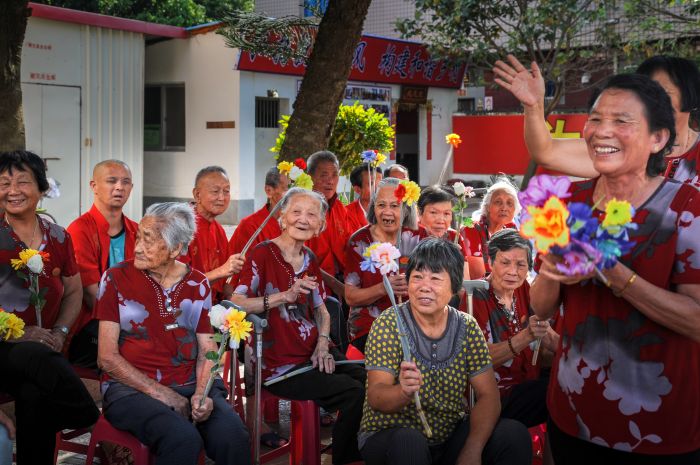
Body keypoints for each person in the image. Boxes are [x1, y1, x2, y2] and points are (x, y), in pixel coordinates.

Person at [529, 74, 700, 464]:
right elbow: (539, 307)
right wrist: (552, 262)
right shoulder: (567, 201)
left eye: (622, 121)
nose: (602, 131)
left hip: (661, 428)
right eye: (595, 118)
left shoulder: (687, 208)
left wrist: (613, 272)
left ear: (658, 138)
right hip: (573, 414)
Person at [95, 202, 250, 465]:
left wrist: (201, 394)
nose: (138, 248)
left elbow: (207, 349)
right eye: (138, 237)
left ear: (176, 249)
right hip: (132, 390)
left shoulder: (197, 283)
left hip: (190, 383)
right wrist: (163, 394)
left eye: (149, 240)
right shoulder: (115, 279)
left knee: (233, 437)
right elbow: (106, 357)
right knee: (182, 439)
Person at [359, 238, 531, 465]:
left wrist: (472, 449)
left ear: (454, 286)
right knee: (409, 442)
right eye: (417, 277)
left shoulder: (466, 327)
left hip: (447, 435)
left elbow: (489, 396)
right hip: (389, 436)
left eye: (435, 278)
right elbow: (376, 397)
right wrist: (403, 392)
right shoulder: (389, 323)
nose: (424, 286)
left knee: (513, 434)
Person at [232, 187, 366, 465]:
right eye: (296, 212)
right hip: (279, 364)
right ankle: (346, 459)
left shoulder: (310, 259)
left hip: (313, 353)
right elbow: (237, 303)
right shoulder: (262, 254)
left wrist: (322, 344)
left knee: (371, 379)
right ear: (282, 217)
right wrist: (284, 296)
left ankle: (357, 447)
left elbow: (321, 310)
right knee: (354, 393)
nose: (303, 219)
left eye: (311, 215)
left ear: (320, 225)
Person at [0, 150, 99, 464]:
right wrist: (18, 334)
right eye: (4, 183)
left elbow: (73, 291)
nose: (13, 191)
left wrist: (61, 331)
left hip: (43, 355)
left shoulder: (58, 237)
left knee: (35, 393)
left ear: (42, 188)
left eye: (22, 182)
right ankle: (92, 421)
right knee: (35, 355)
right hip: (4, 350)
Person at [493, 54, 700, 186]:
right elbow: (545, 152)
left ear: (690, 96)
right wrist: (534, 106)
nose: (652, 101)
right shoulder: (619, 150)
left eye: (663, 92)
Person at [469, 229, 557, 429]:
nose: (513, 271)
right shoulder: (475, 295)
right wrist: (526, 336)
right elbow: (477, 359)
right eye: (505, 262)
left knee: (567, 383)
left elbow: (547, 337)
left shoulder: (524, 289)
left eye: (520, 264)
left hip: (527, 382)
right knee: (554, 393)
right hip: (494, 395)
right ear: (490, 262)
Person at [67, 159, 138, 368]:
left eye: (126, 182)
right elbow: (92, 294)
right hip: (91, 324)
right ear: (94, 186)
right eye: (111, 181)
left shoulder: (137, 230)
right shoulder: (79, 229)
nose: (119, 187)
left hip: (133, 319)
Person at [345, 178, 428, 353]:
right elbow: (351, 297)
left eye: (395, 206)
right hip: (372, 326)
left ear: (405, 209)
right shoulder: (359, 242)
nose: (387, 212)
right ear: (373, 208)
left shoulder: (420, 237)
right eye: (381, 205)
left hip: (416, 322)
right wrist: (383, 288)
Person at [182, 166, 244, 303]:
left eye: (226, 191)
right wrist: (222, 271)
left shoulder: (219, 230)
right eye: (215, 191)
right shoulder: (181, 226)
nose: (222, 197)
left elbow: (225, 282)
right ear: (197, 195)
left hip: (214, 306)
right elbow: (178, 284)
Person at [228, 167, 288, 286]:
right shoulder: (250, 225)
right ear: (269, 191)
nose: (293, 195)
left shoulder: (299, 225)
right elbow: (248, 272)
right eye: (286, 188)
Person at [305, 151, 351, 298]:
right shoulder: (303, 211)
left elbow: (349, 247)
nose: (330, 181)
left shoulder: (341, 208)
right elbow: (300, 259)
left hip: (344, 281)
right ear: (310, 177)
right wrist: (334, 284)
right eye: (324, 175)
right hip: (313, 287)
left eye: (334, 175)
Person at [461, 178, 521, 279]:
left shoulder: (511, 229)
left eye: (509, 203)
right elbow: (477, 277)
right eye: (498, 202)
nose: (504, 208)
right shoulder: (470, 229)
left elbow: (521, 268)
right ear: (488, 206)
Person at [416, 185, 470, 278]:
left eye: (446, 213)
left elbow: (465, 280)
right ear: (419, 213)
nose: (441, 220)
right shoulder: (409, 235)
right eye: (433, 212)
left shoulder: (454, 237)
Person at [346, 163, 382, 232]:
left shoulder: (391, 211)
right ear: (357, 189)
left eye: (381, 183)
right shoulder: (346, 214)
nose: (378, 188)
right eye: (371, 184)